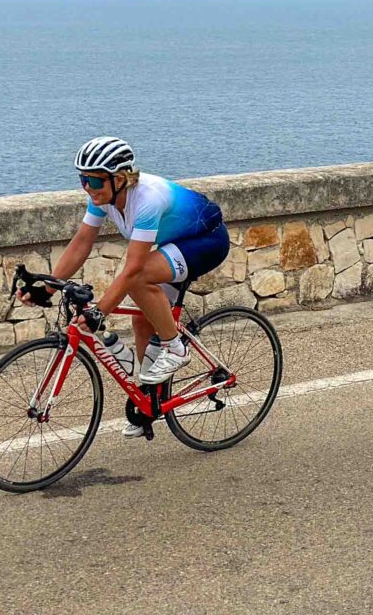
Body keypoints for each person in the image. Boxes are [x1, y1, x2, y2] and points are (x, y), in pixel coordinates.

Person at [18, 135, 229, 437]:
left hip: (206, 242)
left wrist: (98, 313)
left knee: (139, 278)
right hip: (172, 241)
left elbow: (132, 270)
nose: (87, 188)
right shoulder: (103, 197)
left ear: (119, 179)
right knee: (141, 318)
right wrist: (48, 287)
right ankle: (150, 399)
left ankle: (175, 347)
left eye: (93, 180)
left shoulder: (146, 200)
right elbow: (81, 243)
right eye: (82, 179)